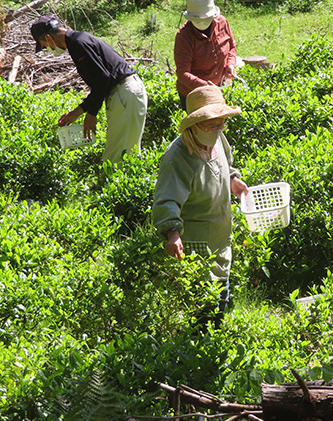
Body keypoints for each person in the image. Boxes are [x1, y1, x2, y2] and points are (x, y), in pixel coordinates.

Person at [152, 85, 248, 325]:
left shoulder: (217, 138)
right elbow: (167, 198)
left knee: (221, 299)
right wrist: (172, 233)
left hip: (220, 237)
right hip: (197, 246)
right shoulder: (179, 157)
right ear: (194, 125)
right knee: (204, 311)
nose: (217, 129)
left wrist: (233, 180)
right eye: (210, 124)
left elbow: (226, 164)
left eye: (221, 123)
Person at [30, 15, 147, 165]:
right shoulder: (78, 40)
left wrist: (91, 114)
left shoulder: (78, 44)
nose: (47, 49)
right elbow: (103, 80)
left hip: (124, 92)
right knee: (128, 154)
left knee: (115, 159)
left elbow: (103, 80)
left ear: (48, 37)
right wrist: (77, 112)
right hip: (127, 92)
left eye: (44, 45)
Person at [174, 0, 237, 111]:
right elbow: (182, 73)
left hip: (222, 87)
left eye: (205, 20)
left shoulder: (222, 23)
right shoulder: (184, 36)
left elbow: (231, 46)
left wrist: (230, 65)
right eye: (197, 21)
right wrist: (205, 86)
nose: (202, 23)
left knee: (221, 125)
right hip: (195, 94)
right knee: (202, 127)